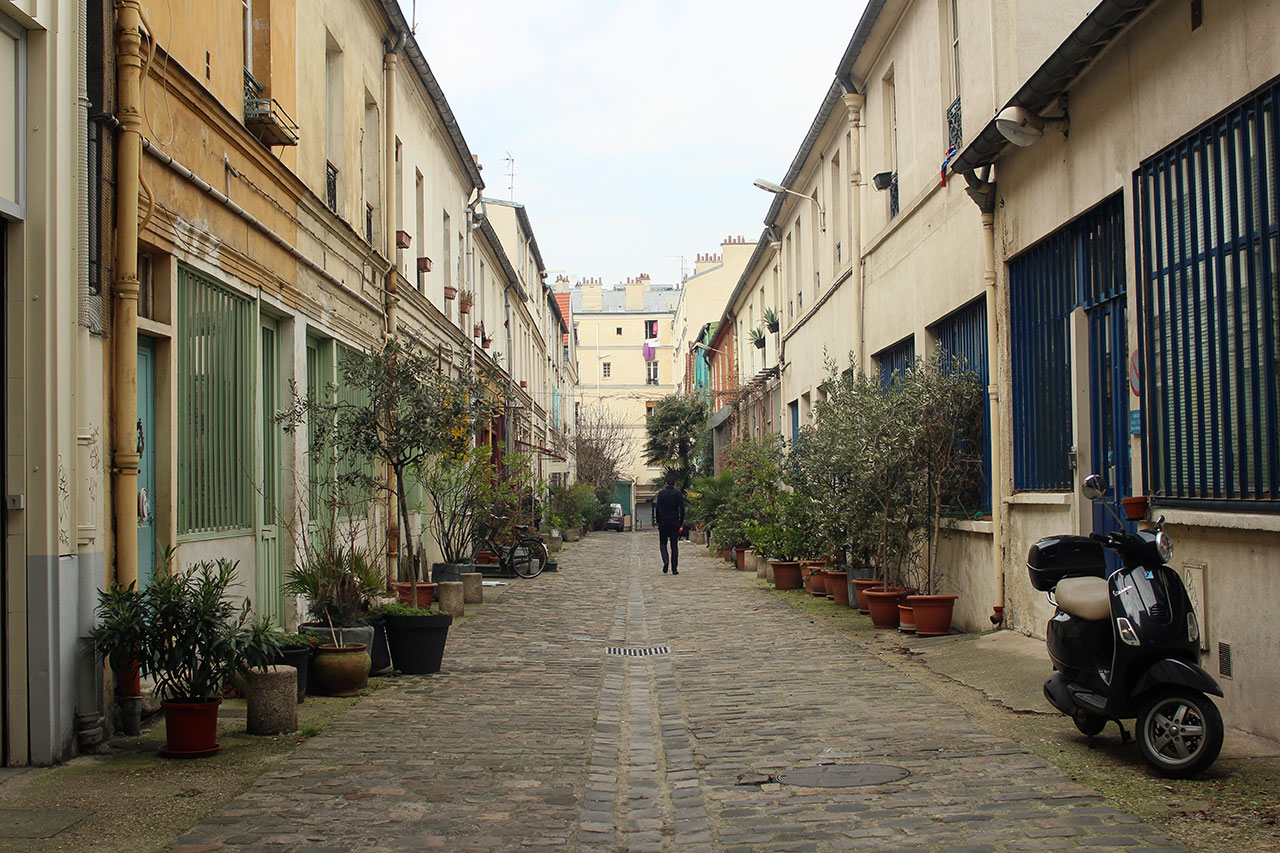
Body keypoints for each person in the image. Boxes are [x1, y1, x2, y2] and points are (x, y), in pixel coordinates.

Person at [652, 476, 686, 575]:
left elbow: (657, 508)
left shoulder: (661, 494)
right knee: (674, 545)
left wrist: (658, 520)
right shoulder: (678, 494)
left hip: (663, 521)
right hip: (674, 522)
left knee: (663, 543)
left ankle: (665, 560)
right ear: (674, 484)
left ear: (666, 484)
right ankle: (674, 568)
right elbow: (682, 509)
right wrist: (681, 521)